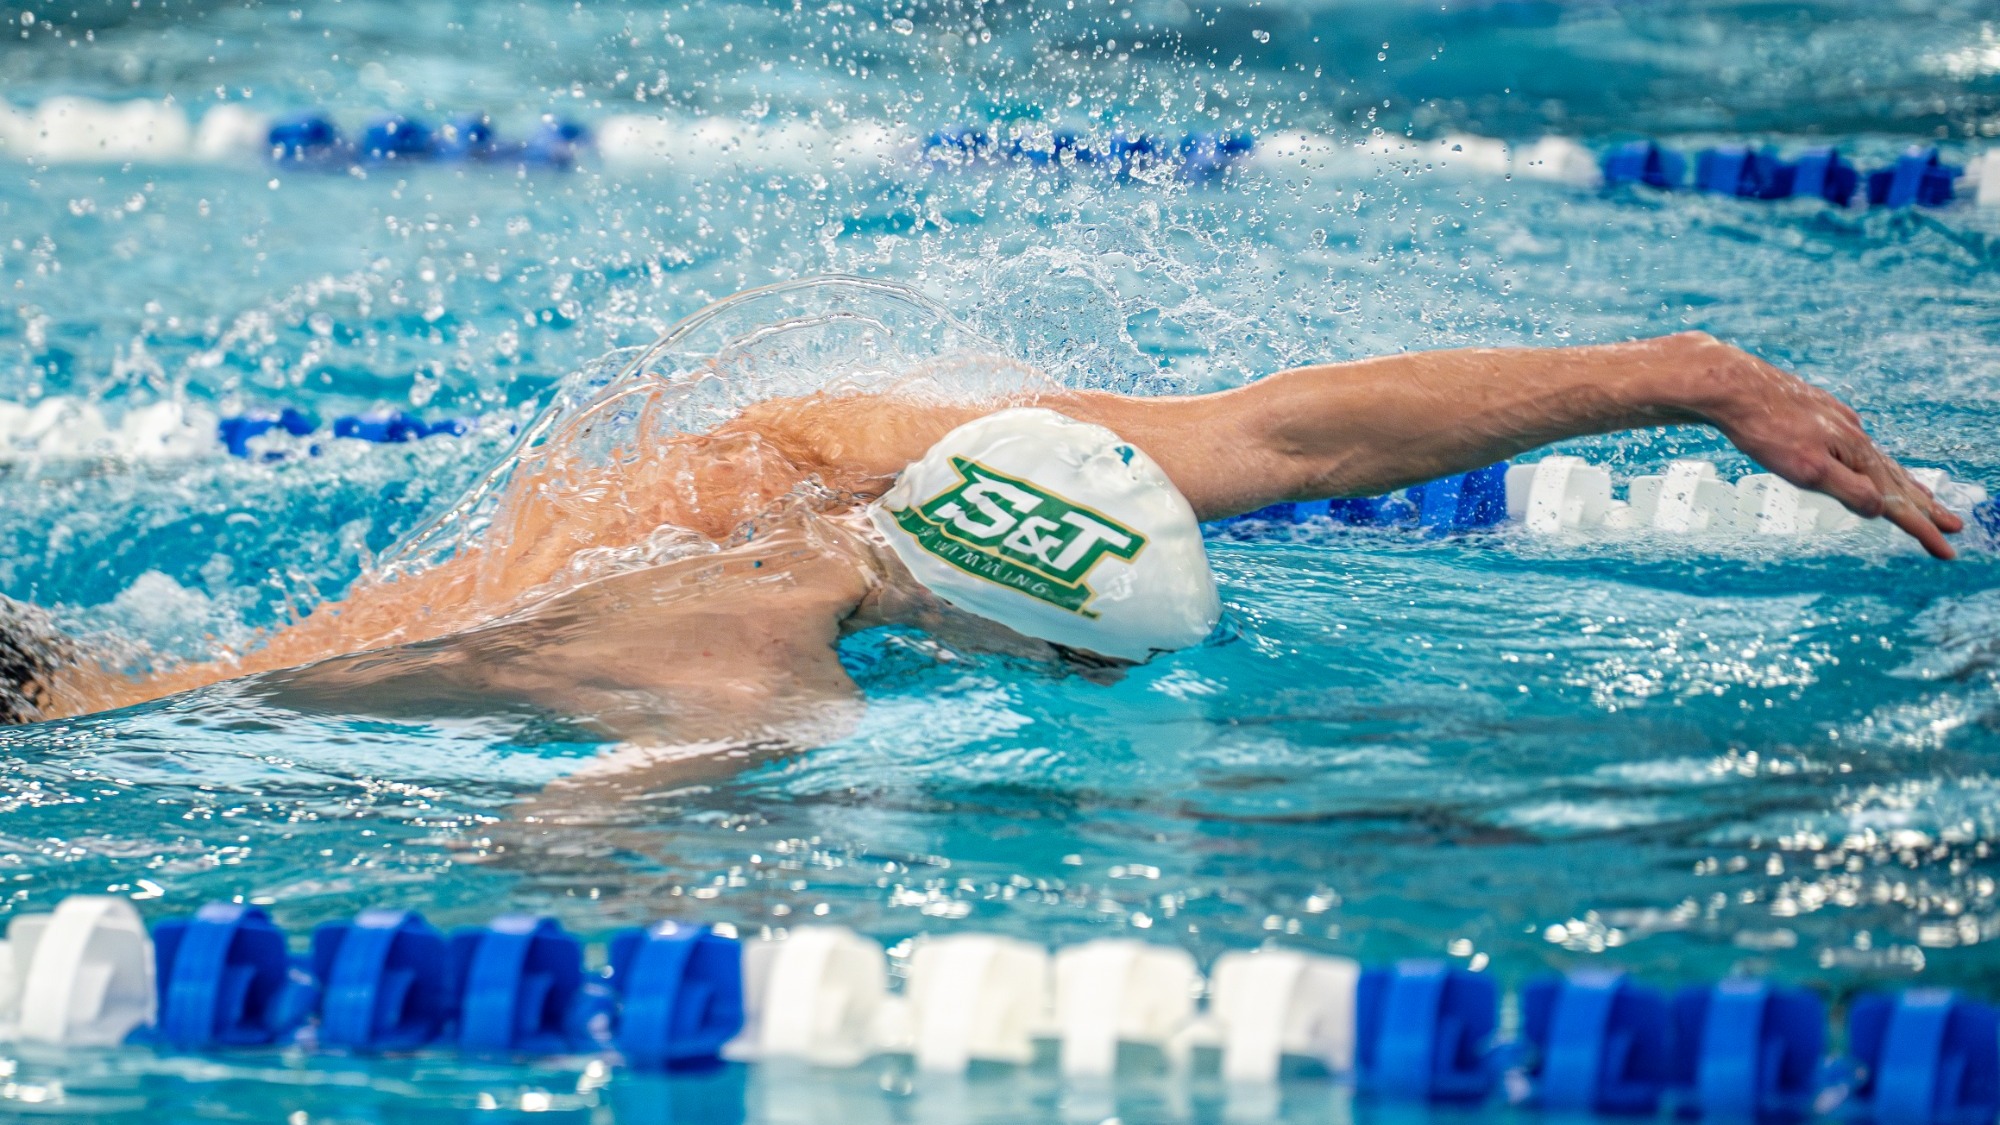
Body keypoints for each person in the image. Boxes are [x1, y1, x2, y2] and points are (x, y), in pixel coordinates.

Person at [0, 330, 1964, 792]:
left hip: (105, 645)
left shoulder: (842, 455)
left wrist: (1682, 379)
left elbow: (1281, 439)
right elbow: (539, 854)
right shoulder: (746, 669)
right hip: (83, 735)